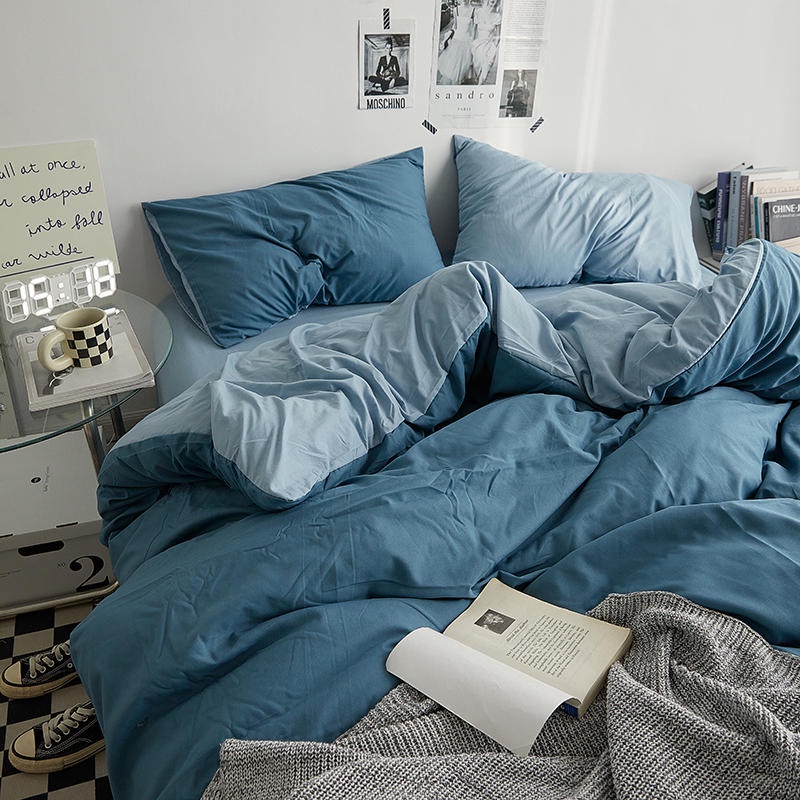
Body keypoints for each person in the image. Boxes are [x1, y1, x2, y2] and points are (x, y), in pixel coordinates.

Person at [436, 0, 475, 85]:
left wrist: (473, 44)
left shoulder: (473, 10)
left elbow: (473, 30)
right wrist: (448, 35)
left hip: (466, 41)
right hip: (456, 40)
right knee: (453, 66)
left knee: (462, 66)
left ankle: (459, 82)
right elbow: (455, 27)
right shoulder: (456, 10)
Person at [471, 0, 502, 85]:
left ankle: (480, 85)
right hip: (478, 45)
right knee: (477, 68)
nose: (493, 1)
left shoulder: (497, 16)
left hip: (490, 47)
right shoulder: (478, 12)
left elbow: (498, 35)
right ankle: (478, 82)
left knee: (485, 70)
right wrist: (472, 44)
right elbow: (474, 31)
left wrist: (494, 46)